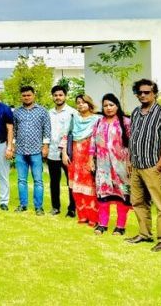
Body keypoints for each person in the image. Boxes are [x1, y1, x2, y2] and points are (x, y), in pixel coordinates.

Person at [125, 79, 161, 252]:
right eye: (139, 92)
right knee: (138, 202)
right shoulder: (135, 112)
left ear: (154, 93)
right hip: (136, 165)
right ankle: (144, 233)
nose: (143, 95)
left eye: (147, 92)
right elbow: (133, 138)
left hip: (153, 165)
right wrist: (130, 160)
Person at [90, 94, 132, 236]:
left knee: (123, 194)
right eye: (105, 105)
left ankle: (120, 226)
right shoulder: (98, 122)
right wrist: (91, 159)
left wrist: (130, 162)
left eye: (111, 105)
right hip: (103, 166)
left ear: (117, 106)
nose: (108, 108)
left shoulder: (126, 122)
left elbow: (131, 143)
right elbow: (93, 141)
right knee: (103, 194)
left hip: (122, 166)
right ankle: (103, 224)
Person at [12, 86, 51, 215]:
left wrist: (45, 146)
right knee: (21, 180)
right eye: (24, 95)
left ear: (34, 95)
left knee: (38, 181)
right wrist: (13, 145)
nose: (26, 97)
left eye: (29, 95)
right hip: (20, 151)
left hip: (36, 151)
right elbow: (14, 130)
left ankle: (38, 207)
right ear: (21, 97)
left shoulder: (42, 111)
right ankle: (23, 205)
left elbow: (47, 130)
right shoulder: (17, 112)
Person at [64, 94, 100, 226]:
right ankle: (83, 215)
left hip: (89, 156)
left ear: (89, 104)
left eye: (83, 102)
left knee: (90, 187)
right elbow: (66, 135)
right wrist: (64, 153)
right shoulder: (74, 118)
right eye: (78, 102)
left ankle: (93, 217)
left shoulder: (97, 120)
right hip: (74, 156)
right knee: (76, 187)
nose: (80, 105)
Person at [47, 85, 77, 216]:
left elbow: (73, 133)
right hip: (52, 152)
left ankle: (72, 208)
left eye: (60, 95)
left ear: (65, 96)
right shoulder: (49, 113)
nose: (58, 97)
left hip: (68, 153)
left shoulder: (72, 112)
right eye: (55, 95)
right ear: (52, 97)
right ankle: (55, 207)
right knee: (54, 181)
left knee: (71, 181)